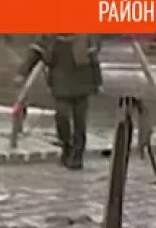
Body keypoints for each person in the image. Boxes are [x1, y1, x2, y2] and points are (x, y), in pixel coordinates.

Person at [15, 34, 102, 170]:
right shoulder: (49, 36)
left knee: (80, 122)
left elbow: (93, 59)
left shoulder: (85, 35)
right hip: (60, 82)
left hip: (82, 82)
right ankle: (66, 147)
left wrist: (98, 81)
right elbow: (34, 54)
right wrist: (22, 73)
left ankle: (77, 156)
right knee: (62, 117)